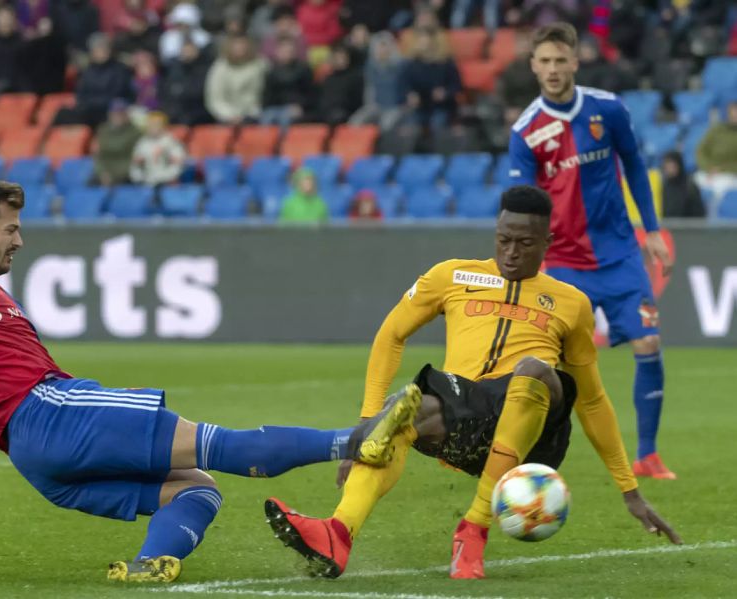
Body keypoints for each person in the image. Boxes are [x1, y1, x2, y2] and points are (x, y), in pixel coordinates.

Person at [0, 180, 418, 584]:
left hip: (36, 459)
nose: (19, 240)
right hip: (50, 412)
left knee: (198, 488)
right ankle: (353, 440)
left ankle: (149, 565)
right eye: (10, 229)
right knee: (217, 443)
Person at [265, 186, 681, 581]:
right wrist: (367, 420)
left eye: (524, 243)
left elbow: (591, 401)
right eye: (503, 240)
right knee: (404, 406)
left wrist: (630, 490)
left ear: (547, 242)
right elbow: (391, 334)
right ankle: (338, 533)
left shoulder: (571, 303)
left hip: (531, 435)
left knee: (534, 368)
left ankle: (473, 530)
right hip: (466, 416)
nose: (511, 252)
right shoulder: (452, 276)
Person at [507, 23, 676, 480]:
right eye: (545, 61)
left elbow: (636, 167)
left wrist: (654, 230)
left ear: (576, 62)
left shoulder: (608, 109)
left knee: (648, 341)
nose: (554, 69)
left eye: (561, 60)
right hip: (563, 262)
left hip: (619, 254)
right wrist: (526, 257)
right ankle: (523, 457)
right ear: (533, 67)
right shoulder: (526, 132)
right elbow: (523, 203)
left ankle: (648, 454)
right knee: (546, 366)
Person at [54, 33, 134, 128]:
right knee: (62, 114)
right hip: (89, 109)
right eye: (98, 48)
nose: (102, 51)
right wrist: (88, 104)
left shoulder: (119, 69)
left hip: (108, 110)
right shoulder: (88, 71)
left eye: (104, 48)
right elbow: (81, 95)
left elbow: (116, 95)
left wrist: (92, 103)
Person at [204, 35, 266, 126]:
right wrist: (230, 115)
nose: (240, 48)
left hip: (255, 116)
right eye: (236, 45)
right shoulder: (220, 68)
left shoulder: (260, 65)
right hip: (227, 118)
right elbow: (215, 99)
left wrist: (254, 113)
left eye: (242, 44)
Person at [259, 37, 315, 129]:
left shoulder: (304, 70)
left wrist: (301, 107)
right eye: (283, 50)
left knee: (284, 117)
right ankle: (264, 142)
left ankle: (283, 143)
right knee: (267, 117)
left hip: (295, 107)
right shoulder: (272, 72)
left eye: (289, 51)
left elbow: (310, 94)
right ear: (277, 52)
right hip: (275, 108)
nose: (286, 53)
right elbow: (267, 95)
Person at [695, 98, 737, 208]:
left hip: (732, 175)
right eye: (732, 113)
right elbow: (700, 151)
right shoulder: (716, 130)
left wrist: (723, 169)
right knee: (693, 185)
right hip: (710, 172)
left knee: (721, 192)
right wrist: (708, 167)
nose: (734, 117)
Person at [92, 99, 141, 187]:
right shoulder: (103, 130)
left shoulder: (135, 132)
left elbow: (136, 158)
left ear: (127, 115)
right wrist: (102, 173)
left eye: (121, 113)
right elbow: (98, 156)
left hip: (126, 174)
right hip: (104, 173)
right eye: (115, 113)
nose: (118, 116)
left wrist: (115, 176)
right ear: (110, 115)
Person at [130, 111, 186, 186]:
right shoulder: (142, 143)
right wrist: (140, 178)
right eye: (151, 124)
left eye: (157, 125)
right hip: (147, 183)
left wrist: (164, 178)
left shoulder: (171, 142)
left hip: (167, 183)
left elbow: (179, 166)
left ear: (164, 126)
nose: (153, 127)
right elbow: (135, 166)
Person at [661, 151, 706, 218]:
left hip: (687, 227)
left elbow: (699, 215)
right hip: (667, 226)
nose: (669, 169)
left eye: (672, 166)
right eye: (666, 166)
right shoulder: (664, 186)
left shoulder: (690, 187)